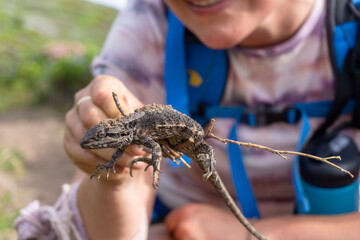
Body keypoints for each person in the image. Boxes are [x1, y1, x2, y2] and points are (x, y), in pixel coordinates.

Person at [15, 0, 360, 239]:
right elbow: (94, 228)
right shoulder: (149, 25)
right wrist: (113, 179)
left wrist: (248, 235)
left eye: (104, 142)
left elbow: (149, 146)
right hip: (179, 215)